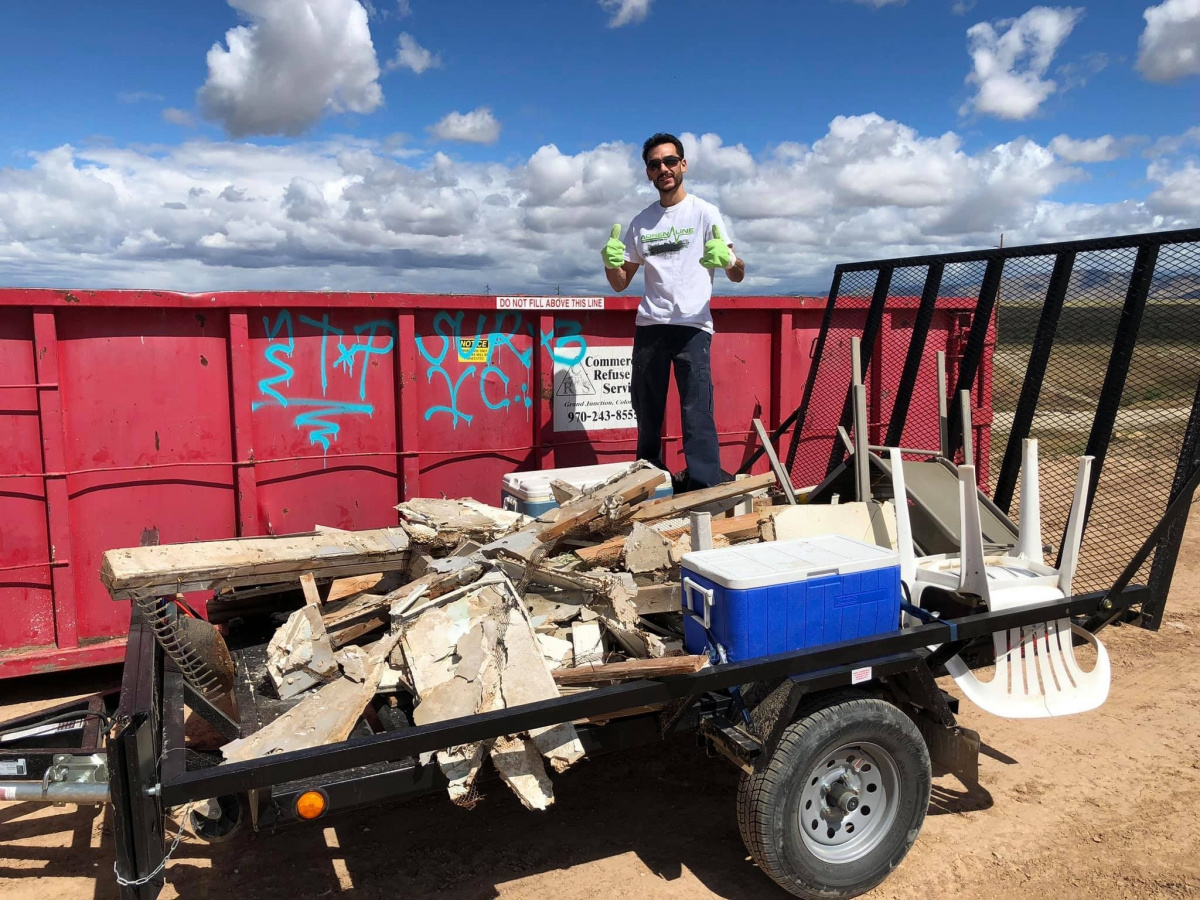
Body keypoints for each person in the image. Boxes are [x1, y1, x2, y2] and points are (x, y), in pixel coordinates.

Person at [601, 132, 745, 492]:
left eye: (669, 161)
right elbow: (621, 282)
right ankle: (648, 486)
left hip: (693, 327)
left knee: (697, 414)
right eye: (654, 164)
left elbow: (738, 272)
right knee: (647, 415)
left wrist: (728, 259)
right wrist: (609, 262)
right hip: (650, 326)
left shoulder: (704, 212)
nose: (663, 169)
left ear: (683, 165)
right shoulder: (641, 222)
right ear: (648, 173)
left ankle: (704, 489)